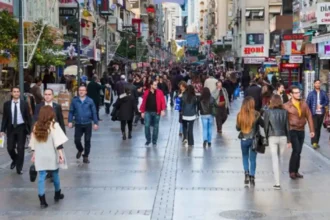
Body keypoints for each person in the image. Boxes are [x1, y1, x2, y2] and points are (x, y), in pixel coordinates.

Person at [30, 106, 67, 208]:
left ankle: (42, 200)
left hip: (40, 155)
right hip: (51, 155)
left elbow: (33, 142)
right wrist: (61, 155)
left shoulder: (36, 125)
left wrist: (33, 154)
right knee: (55, 175)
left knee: (41, 177)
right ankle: (57, 194)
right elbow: (58, 143)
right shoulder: (54, 125)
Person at [34, 88, 66, 181]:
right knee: (46, 153)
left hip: (55, 133)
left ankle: (54, 172)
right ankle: (48, 170)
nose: (47, 96)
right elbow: (35, 119)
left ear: (52, 96)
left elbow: (60, 121)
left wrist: (62, 134)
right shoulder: (38, 106)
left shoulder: (57, 106)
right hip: (43, 133)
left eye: (49, 94)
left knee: (56, 152)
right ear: (44, 96)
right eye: (46, 94)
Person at [283, 86, 314, 179]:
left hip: (301, 130)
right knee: (296, 150)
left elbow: (309, 116)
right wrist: (286, 136)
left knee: (298, 151)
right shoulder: (286, 106)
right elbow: (284, 121)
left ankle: (296, 171)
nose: (298, 94)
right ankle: (292, 171)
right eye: (295, 93)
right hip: (292, 129)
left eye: (298, 92)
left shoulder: (303, 104)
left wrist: (312, 130)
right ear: (291, 94)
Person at [0, 87, 32, 174]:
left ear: (20, 93)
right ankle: (15, 159)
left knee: (20, 148)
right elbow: (5, 118)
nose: (16, 93)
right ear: (11, 93)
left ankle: (19, 168)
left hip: (21, 128)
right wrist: (2, 130)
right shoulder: (7, 104)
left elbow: (28, 117)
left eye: (18, 92)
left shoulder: (24, 104)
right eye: (14, 92)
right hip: (10, 128)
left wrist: (31, 130)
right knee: (10, 147)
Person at [264, 95, 291, 190]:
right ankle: (279, 178)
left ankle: (277, 182)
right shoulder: (285, 112)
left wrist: (266, 138)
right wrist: (289, 139)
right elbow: (287, 126)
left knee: (274, 158)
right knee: (281, 158)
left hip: (272, 136)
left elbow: (266, 126)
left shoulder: (267, 112)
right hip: (283, 136)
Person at [236, 96, 264, 186]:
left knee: (245, 156)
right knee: (253, 159)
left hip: (244, 139)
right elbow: (263, 125)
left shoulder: (240, 114)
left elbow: (237, 128)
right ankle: (252, 177)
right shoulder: (256, 114)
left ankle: (246, 174)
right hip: (253, 139)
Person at [68, 85, 99, 164]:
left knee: (87, 140)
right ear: (78, 91)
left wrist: (95, 122)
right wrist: (70, 121)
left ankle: (86, 156)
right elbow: (71, 111)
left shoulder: (90, 101)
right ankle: (80, 149)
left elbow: (94, 112)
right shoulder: (75, 101)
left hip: (87, 123)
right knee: (77, 140)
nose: (81, 91)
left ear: (86, 92)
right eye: (80, 90)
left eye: (83, 90)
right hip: (78, 123)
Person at [140, 80, 166, 147]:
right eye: (154, 85)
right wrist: (142, 111)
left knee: (156, 127)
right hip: (147, 112)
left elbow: (163, 101)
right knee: (147, 126)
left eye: (156, 85)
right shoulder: (146, 92)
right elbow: (143, 102)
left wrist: (163, 110)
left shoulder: (160, 92)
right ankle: (148, 140)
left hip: (157, 112)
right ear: (151, 85)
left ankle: (154, 141)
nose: (156, 86)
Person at [306, 79, 329, 149]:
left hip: (321, 113)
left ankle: (316, 142)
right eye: (316, 83)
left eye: (319, 83)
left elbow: (327, 101)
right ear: (314, 84)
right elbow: (307, 103)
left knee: (318, 128)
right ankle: (314, 142)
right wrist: (308, 113)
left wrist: (321, 105)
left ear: (320, 84)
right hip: (313, 113)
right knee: (314, 128)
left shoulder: (323, 93)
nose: (317, 84)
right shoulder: (311, 93)